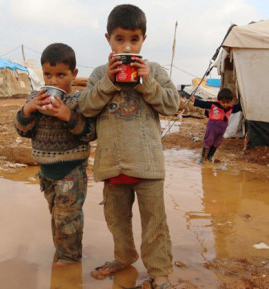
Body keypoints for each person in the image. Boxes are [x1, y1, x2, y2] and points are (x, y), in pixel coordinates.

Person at [78, 4, 180, 289]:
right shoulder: (100, 74)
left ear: (143, 40)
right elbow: (85, 108)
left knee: (155, 222)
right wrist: (109, 82)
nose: (127, 46)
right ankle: (124, 257)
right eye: (120, 39)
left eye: (133, 39)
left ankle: (159, 269)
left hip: (148, 166)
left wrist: (146, 80)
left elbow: (173, 104)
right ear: (108, 39)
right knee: (116, 220)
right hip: (112, 165)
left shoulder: (155, 71)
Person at [14, 43, 96, 265]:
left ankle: (69, 261)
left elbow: (90, 134)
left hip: (72, 171)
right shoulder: (36, 97)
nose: (52, 82)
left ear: (73, 74)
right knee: (56, 215)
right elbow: (23, 131)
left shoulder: (78, 101)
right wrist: (28, 110)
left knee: (67, 217)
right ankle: (62, 251)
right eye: (48, 75)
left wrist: (68, 116)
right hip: (46, 172)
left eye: (61, 75)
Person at [190, 88, 242, 163]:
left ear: (230, 101)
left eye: (228, 102)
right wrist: (195, 100)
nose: (225, 104)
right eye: (223, 102)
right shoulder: (214, 105)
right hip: (212, 127)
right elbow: (204, 103)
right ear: (219, 100)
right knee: (209, 141)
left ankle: (209, 157)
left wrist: (244, 101)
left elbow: (239, 107)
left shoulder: (230, 108)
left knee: (217, 143)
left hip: (222, 129)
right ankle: (203, 158)